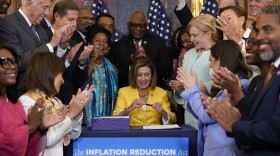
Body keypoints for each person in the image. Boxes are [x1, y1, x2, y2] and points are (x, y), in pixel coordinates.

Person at [201, 5, 280, 155]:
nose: (260, 37)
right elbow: (258, 118)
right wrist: (237, 95)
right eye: (257, 31)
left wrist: (234, 125)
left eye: (268, 29)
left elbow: (275, 129)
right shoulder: (268, 76)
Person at [177, 40, 251, 156]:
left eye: (210, 60)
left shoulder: (241, 85)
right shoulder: (225, 86)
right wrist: (200, 94)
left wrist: (192, 90)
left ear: (221, 60)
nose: (210, 65)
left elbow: (207, 116)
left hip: (225, 150)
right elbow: (203, 115)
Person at [19, 52, 93, 156]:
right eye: (61, 75)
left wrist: (77, 112)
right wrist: (70, 114)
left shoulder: (54, 101)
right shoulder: (26, 101)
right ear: (47, 73)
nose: (62, 81)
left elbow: (73, 135)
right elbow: (46, 140)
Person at [0, 44, 59, 155]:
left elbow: (27, 144)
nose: (12, 66)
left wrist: (40, 128)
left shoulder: (15, 103)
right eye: (5, 62)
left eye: (14, 61)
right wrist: (31, 127)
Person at [0, 0, 68, 96]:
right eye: (44, 7)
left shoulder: (40, 29)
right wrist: (51, 45)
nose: (48, 13)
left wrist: (61, 47)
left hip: (41, 95)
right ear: (29, 3)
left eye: (49, 8)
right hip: (19, 95)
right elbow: (19, 61)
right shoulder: (8, 23)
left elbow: (47, 64)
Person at [45, 0, 92, 105]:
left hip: (69, 104)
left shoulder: (75, 44)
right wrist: (66, 57)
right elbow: (45, 74)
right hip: (48, 102)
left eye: (76, 20)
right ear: (57, 16)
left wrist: (82, 63)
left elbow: (79, 83)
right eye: (70, 19)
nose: (74, 24)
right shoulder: (43, 38)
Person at [113, 56, 176, 126]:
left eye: (146, 75)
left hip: (154, 135)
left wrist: (163, 112)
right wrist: (129, 109)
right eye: (139, 75)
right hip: (132, 135)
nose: (143, 79)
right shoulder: (123, 92)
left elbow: (173, 121)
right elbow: (115, 119)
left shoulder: (161, 93)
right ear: (134, 77)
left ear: (152, 76)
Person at [115, 11, 171, 89]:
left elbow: (167, 70)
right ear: (128, 26)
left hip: (153, 91)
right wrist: (132, 62)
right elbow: (116, 73)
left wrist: (146, 60)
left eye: (142, 26)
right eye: (134, 25)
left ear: (146, 26)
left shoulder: (158, 43)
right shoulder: (120, 45)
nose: (138, 29)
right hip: (127, 92)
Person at [84, 26, 118, 127]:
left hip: (108, 118)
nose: (101, 44)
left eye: (105, 42)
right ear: (89, 44)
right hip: (87, 119)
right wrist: (93, 59)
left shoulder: (112, 68)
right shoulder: (82, 62)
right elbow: (82, 81)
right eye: (97, 41)